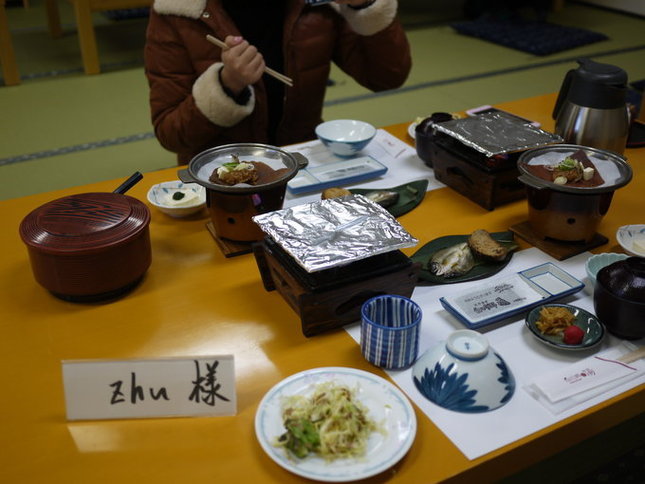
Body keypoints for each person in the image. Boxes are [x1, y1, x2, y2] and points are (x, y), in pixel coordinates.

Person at [144, 0, 412, 164]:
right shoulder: (178, 10)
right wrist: (227, 85)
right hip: (220, 175)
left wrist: (365, 6)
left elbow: (386, 77)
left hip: (304, 163)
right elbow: (171, 133)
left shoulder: (318, 4)